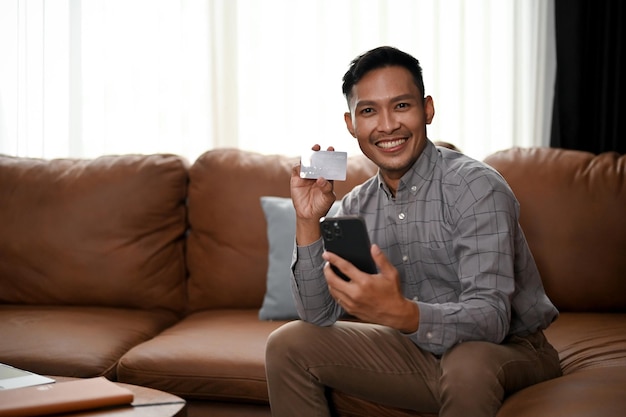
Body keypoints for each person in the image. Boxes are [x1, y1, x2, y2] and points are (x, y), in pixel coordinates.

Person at [265, 46, 561, 417]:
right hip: (418, 350)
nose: (387, 125)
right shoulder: (357, 206)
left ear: (427, 110)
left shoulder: (476, 187)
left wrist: (404, 315)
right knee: (287, 343)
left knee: (467, 363)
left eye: (401, 106)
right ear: (351, 124)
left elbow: (492, 317)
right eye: (369, 111)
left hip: (510, 349)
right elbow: (317, 315)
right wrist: (308, 220)